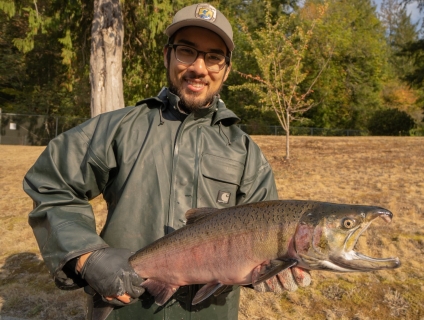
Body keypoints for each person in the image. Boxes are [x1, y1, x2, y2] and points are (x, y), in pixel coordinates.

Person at [24, 3, 311, 320]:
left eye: (214, 57)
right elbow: (50, 183)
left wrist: (273, 272)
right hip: (125, 312)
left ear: (226, 69)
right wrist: (86, 256)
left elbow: (267, 249)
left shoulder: (246, 154)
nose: (199, 68)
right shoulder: (117, 129)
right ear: (167, 56)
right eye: (187, 51)